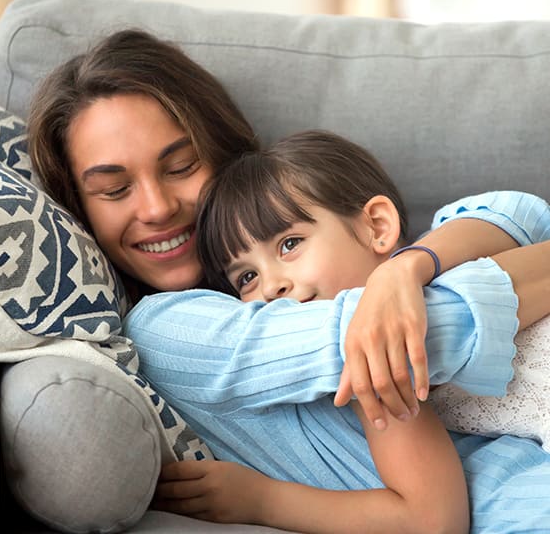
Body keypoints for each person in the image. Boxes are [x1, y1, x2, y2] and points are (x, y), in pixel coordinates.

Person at [28, 28, 550, 533]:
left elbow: (521, 213)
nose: (158, 207)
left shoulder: (336, 242)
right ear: (79, 211)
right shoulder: (166, 330)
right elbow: (396, 336)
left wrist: (406, 269)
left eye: (181, 166)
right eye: (115, 190)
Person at [196, 129, 550, 450]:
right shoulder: (345, 384)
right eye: (246, 278)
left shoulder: (441, 266)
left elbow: (520, 214)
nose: (271, 287)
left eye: (290, 244)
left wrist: (403, 269)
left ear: (377, 227)